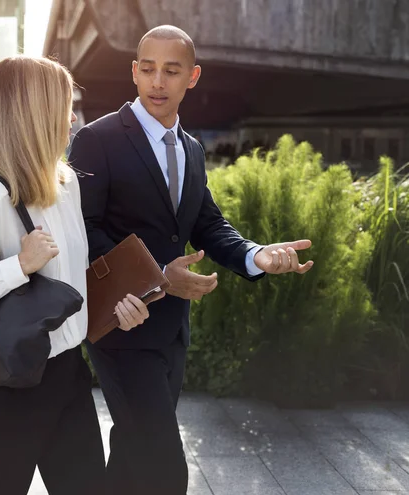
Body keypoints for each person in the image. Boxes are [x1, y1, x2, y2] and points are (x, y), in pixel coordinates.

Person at [68, 25, 314, 495]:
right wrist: (158, 277)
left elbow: (208, 223)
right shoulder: (97, 140)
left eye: (171, 71)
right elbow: (84, 230)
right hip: (122, 326)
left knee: (132, 453)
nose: (158, 81)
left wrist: (257, 256)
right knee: (164, 467)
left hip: (171, 333)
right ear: (134, 72)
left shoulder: (192, 149)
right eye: (148, 69)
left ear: (192, 77)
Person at [0, 56, 151, 495]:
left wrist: (116, 310)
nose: (72, 118)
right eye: (63, 105)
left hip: (67, 373)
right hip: (8, 386)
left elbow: (70, 283)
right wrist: (18, 266)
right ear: (33, 113)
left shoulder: (65, 184)